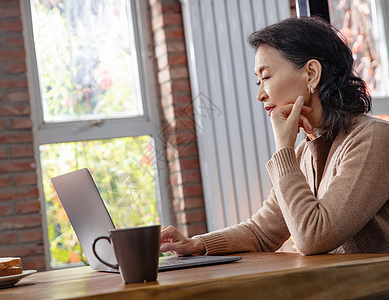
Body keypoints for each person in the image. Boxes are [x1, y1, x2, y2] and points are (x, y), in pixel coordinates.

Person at [160, 17, 389, 256]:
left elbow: (314, 237)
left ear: (311, 74)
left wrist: (283, 148)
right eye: (258, 81)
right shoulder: (303, 154)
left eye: (266, 77)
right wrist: (197, 244)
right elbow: (262, 232)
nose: (260, 94)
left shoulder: (373, 140)